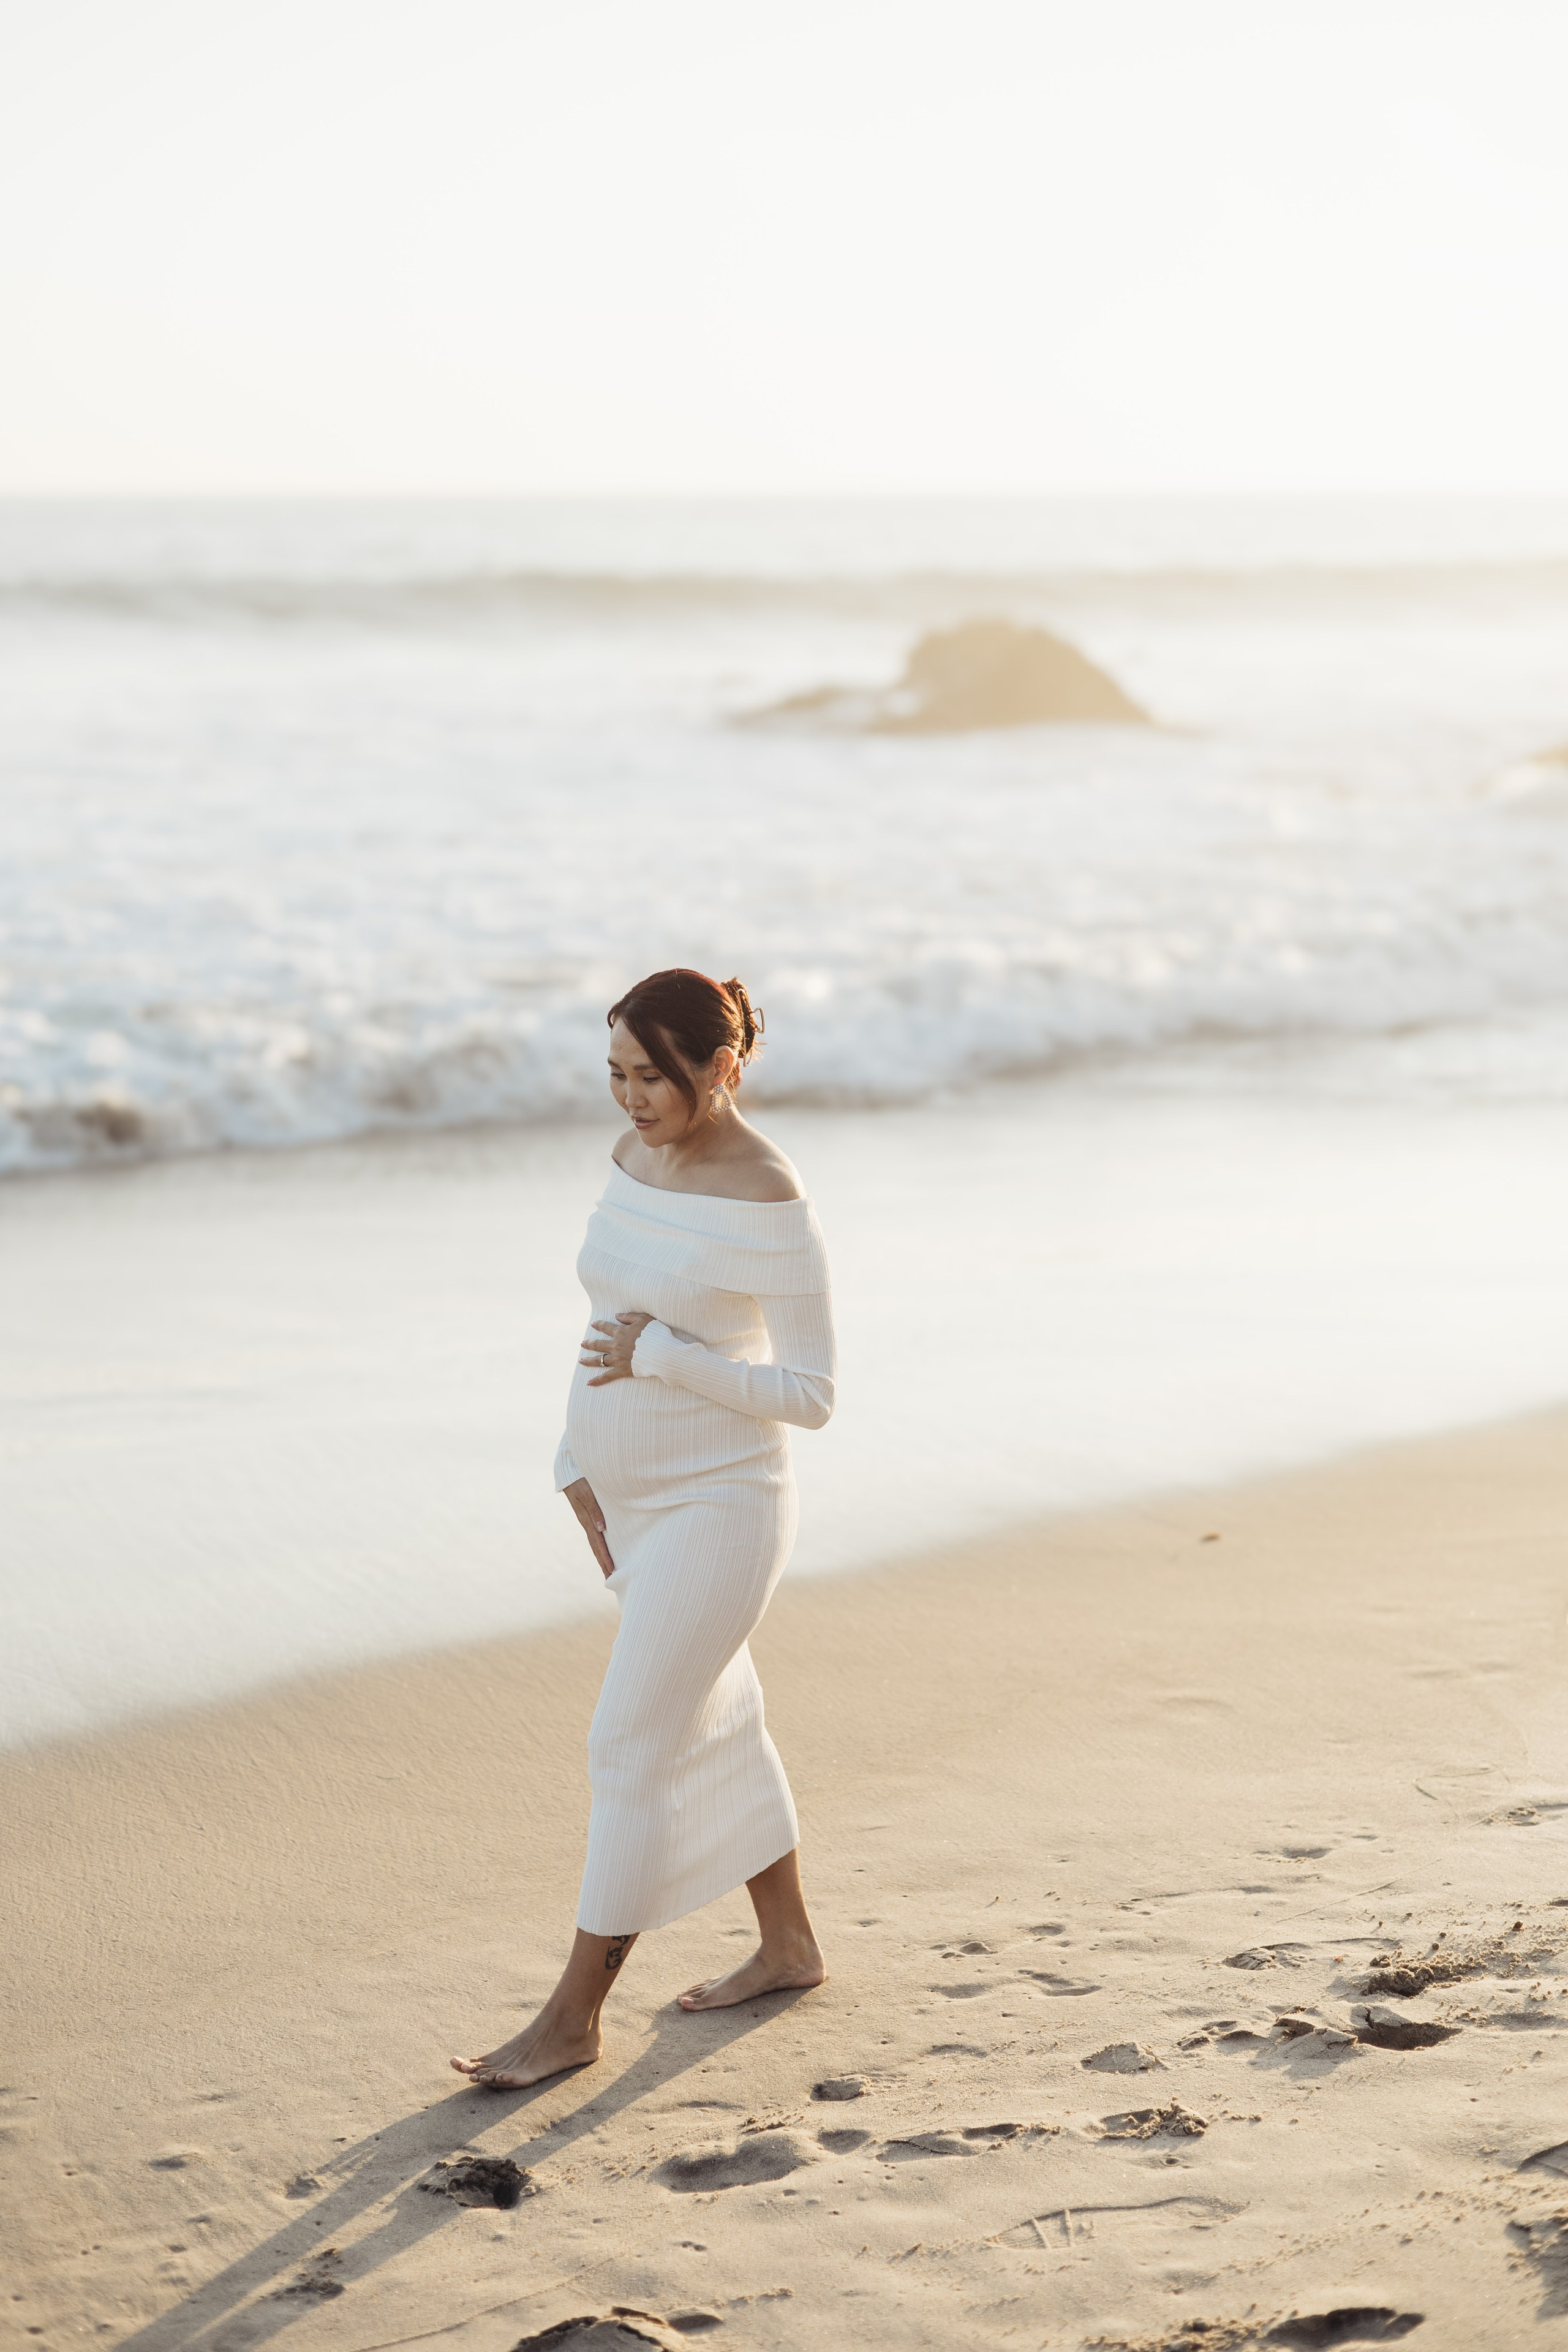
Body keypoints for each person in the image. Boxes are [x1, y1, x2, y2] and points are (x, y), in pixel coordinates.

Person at [452, 968, 835, 2090]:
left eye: (650, 1077)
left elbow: (810, 1393)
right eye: (613, 1074)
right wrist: (579, 1464)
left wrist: (664, 1360)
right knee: (720, 1712)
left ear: (719, 1068)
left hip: (723, 1507)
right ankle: (791, 1946)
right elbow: (600, 1316)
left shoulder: (769, 1192)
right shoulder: (631, 1159)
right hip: (627, 1497)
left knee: (628, 1744)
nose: (628, 1099)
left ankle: (573, 2019)